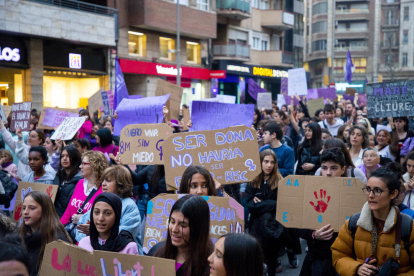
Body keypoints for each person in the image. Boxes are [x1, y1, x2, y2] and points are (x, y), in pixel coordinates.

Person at [331, 163, 414, 276]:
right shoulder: (354, 223)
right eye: (368, 189)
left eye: (377, 191)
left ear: (393, 194)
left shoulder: (407, 226)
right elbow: (338, 255)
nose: (370, 195)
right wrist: (357, 268)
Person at [298, 148, 348, 276]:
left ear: (343, 169)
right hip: (315, 259)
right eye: (324, 168)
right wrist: (313, 234)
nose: (328, 172)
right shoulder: (310, 191)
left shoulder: (351, 194)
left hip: (342, 259)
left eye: (334, 168)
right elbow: (297, 224)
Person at [75, 165, 142, 254]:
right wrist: (91, 233)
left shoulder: (130, 206)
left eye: (108, 181)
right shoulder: (101, 202)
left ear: (121, 184)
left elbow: (126, 236)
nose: (103, 184)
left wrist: (95, 231)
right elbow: (80, 229)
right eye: (103, 180)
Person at [148, 195, 212, 276]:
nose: (174, 229)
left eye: (183, 225)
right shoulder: (156, 253)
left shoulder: (210, 265)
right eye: (172, 222)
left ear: (199, 228)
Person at [246, 149, 283, 276]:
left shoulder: (280, 180)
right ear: (260, 162)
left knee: (272, 259)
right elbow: (251, 206)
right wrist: (271, 203)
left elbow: (280, 205)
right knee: (256, 259)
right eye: (266, 161)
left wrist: (263, 204)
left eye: (272, 162)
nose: (269, 165)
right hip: (255, 226)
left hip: (273, 226)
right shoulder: (253, 180)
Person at [19, 191, 72, 276]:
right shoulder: (20, 235)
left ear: (45, 210)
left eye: (32, 208)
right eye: (24, 208)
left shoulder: (58, 240)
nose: (25, 212)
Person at [60, 151, 107, 226]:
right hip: (72, 232)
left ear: (95, 166)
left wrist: (84, 218)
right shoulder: (80, 183)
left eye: (84, 164)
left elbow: (104, 219)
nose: (80, 166)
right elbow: (68, 212)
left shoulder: (104, 188)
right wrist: (59, 230)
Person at [52, 146, 82, 218]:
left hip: (68, 218)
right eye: (62, 156)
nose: (64, 158)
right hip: (54, 216)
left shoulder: (80, 179)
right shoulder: (58, 175)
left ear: (75, 158)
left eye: (68, 156)